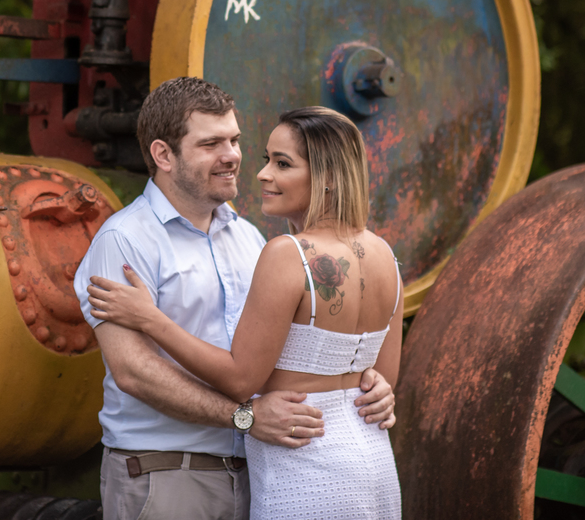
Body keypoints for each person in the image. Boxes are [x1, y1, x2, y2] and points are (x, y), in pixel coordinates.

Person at [72, 79, 396, 520]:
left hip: (264, 470)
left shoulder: (250, 238)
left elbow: (291, 351)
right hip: (169, 474)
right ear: (164, 155)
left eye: (235, 140)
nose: (234, 157)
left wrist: (369, 380)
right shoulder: (124, 241)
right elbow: (135, 374)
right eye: (211, 143)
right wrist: (244, 417)